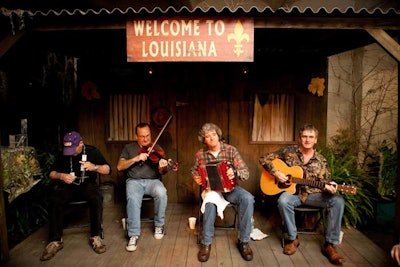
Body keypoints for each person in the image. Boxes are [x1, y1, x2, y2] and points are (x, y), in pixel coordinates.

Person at [259, 123, 345, 265]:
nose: (307, 140)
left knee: (338, 201)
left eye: (311, 137)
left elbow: (326, 181)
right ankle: (293, 239)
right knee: (283, 201)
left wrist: (329, 187)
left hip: (313, 196)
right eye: (304, 136)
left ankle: (330, 245)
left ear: (315, 140)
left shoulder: (321, 160)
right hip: (294, 195)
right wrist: (276, 173)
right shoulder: (288, 151)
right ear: (300, 138)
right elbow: (264, 158)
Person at [40, 131, 111, 261]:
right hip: (69, 186)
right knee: (55, 199)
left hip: (87, 183)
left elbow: (107, 169)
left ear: (81, 143)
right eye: (68, 149)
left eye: (73, 149)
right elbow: (51, 173)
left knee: (96, 197)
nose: (71, 152)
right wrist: (61, 176)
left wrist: (94, 167)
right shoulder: (63, 154)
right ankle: (55, 240)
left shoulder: (92, 151)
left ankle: (95, 236)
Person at [190, 123, 255, 262]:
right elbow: (194, 170)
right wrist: (196, 177)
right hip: (211, 190)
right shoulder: (200, 155)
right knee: (210, 202)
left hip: (230, 189)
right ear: (204, 140)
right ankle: (206, 243)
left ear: (218, 135)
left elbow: (245, 172)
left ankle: (244, 241)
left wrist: (235, 172)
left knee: (248, 198)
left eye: (213, 134)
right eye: (207, 136)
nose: (211, 138)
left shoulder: (231, 150)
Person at [117, 122, 171, 252]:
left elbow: (163, 172)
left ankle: (159, 225)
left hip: (153, 181)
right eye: (142, 136)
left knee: (162, 192)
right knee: (133, 198)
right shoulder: (128, 148)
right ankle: (133, 234)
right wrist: (136, 158)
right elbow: (119, 166)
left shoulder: (156, 148)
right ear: (136, 136)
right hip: (134, 181)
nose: (146, 139)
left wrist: (163, 167)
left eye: (148, 136)